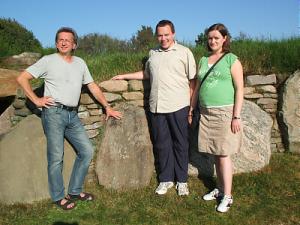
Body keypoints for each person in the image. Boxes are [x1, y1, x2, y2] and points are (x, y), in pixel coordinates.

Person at [16, 27, 122, 210]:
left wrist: (107, 106)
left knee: (87, 150)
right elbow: (22, 78)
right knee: (56, 157)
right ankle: (58, 196)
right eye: (60, 40)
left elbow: (92, 86)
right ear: (56, 43)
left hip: (73, 115)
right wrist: (36, 100)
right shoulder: (47, 61)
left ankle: (75, 191)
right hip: (53, 113)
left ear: (74, 45)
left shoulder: (80, 63)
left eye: (68, 40)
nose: (64, 42)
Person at [112, 20, 196, 196]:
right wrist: (123, 76)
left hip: (179, 105)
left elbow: (193, 80)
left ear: (173, 34)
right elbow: (147, 74)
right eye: (160, 35)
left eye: (166, 34)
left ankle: (182, 181)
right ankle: (166, 180)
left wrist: (190, 106)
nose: (163, 38)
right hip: (157, 107)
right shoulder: (153, 53)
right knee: (161, 144)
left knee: (180, 144)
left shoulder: (184, 52)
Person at [189, 23, 243, 213]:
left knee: (223, 154)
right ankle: (220, 189)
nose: (212, 41)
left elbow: (239, 89)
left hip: (225, 113)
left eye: (216, 38)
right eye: (210, 38)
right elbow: (197, 87)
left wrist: (236, 116)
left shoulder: (231, 59)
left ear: (224, 39)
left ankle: (227, 196)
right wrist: (191, 109)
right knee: (215, 154)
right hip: (206, 113)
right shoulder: (203, 60)